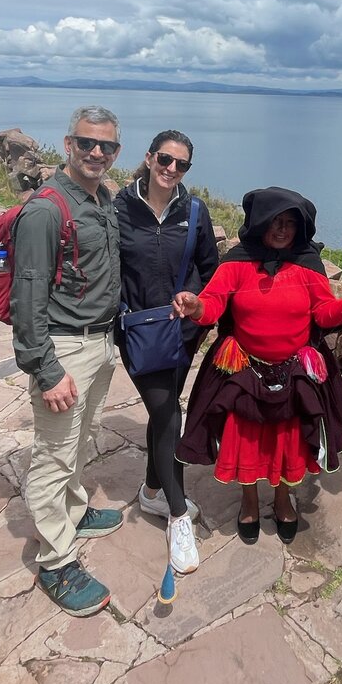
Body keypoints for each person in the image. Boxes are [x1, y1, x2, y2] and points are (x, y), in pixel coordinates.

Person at [172, 187, 342, 544]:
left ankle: (283, 499)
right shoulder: (236, 263)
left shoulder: (307, 265)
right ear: (259, 223)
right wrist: (196, 306)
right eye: (274, 222)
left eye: (290, 223)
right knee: (247, 440)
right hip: (245, 371)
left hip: (293, 373)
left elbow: (323, 314)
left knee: (288, 442)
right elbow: (213, 303)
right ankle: (249, 501)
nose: (282, 230)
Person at [11, 106, 123, 617]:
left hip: (99, 342)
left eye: (107, 145)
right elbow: (27, 297)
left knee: (83, 437)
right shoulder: (46, 210)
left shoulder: (101, 198)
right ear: (67, 145)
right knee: (54, 454)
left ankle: (73, 512)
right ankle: (55, 561)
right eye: (86, 143)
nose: (96, 152)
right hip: (64, 349)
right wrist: (45, 369)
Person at [114, 130, 218, 580]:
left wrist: (196, 302)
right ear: (149, 157)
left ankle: (152, 491)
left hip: (182, 333)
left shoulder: (194, 212)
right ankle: (177, 515)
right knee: (168, 414)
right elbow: (107, 269)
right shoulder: (119, 209)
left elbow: (210, 270)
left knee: (164, 413)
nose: (171, 169)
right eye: (165, 159)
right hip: (139, 332)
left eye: (181, 164)